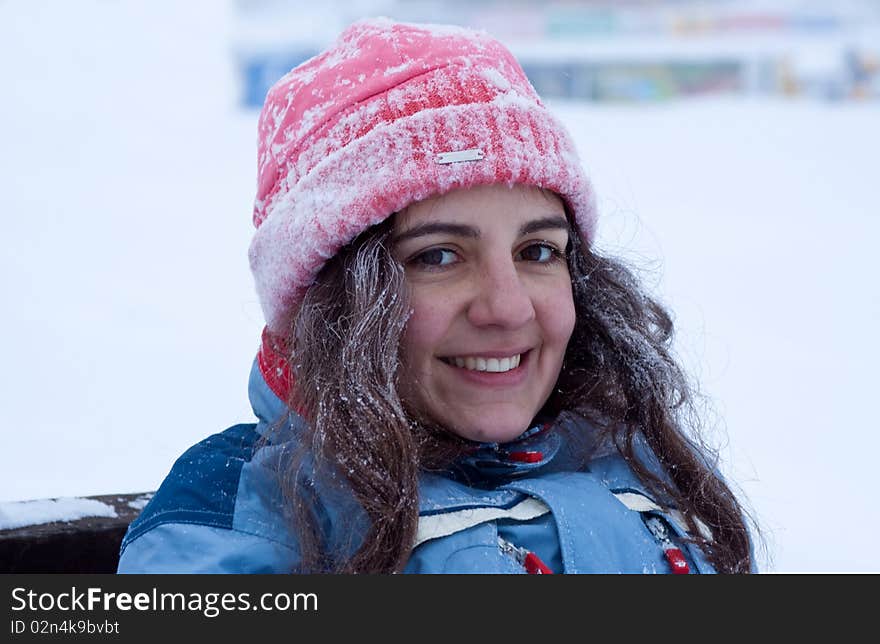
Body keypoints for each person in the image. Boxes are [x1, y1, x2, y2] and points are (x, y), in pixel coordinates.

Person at [117, 17, 755, 574]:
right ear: (331, 300)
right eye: (439, 257)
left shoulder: (640, 454)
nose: (507, 308)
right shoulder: (246, 510)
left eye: (537, 251)